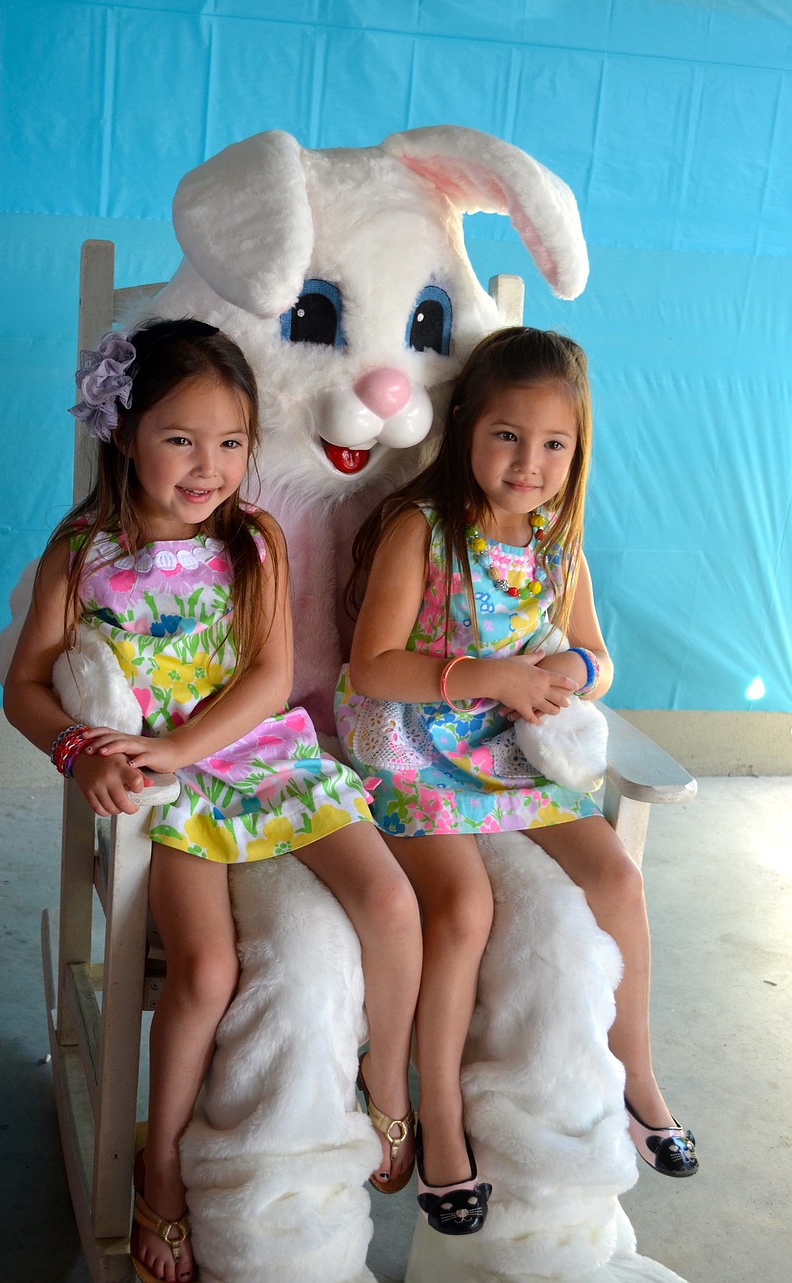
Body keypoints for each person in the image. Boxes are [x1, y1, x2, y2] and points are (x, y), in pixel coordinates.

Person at [4, 319, 422, 1283]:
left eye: (232, 442)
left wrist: (180, 741)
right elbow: (24, 686)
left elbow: (271, 681)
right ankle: (162, 1170)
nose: (210, 467)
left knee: (392, 905)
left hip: (268, 759)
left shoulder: (257, 543)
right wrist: (79, 749)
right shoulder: (85, 554)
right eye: (181, 439)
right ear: (125, 432)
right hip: (175, 794)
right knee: (201, 973)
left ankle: (384, 1089)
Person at [335, 326, 698, 1236]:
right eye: (507, 435)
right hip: (414, 743)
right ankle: (442, 1118)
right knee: (461, 909)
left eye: (553, 444)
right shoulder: (421, 530)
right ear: (465, 427)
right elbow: (374, 665)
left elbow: (599, 657)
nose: (528, 462)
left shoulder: (554, 542)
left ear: (576, 451)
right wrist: (487, 673)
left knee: (616, 873)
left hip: (507, 749)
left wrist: (570, 670)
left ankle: (638, 1075)